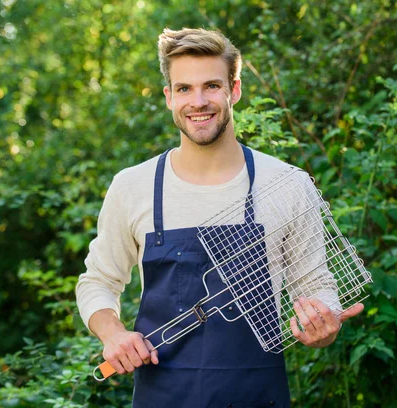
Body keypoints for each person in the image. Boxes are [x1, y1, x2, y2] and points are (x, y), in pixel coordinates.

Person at [76, 27, 364, 408]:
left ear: (235, 90)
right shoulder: (134, 187)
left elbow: (316, 287)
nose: (198, 101)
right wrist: (112, 333)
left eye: (211, 86)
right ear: (168, 97)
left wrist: (321, 327)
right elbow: (97, 281)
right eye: (184, 89)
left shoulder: (287, 184)